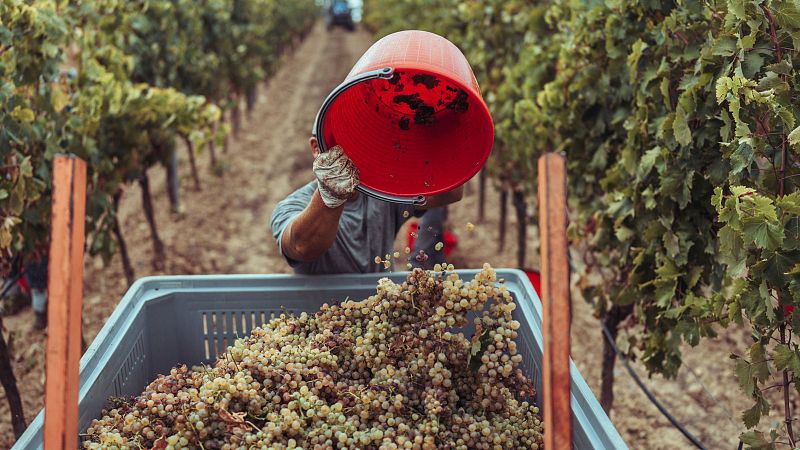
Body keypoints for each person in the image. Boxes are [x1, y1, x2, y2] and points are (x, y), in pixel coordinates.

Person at [270, 139, 463, 274]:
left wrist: (430, 136)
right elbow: (301, 246)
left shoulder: (383, 194)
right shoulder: (291, 206)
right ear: (316, 148)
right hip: (320, 320)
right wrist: (331, 193)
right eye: (341, 142)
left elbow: (451, 191)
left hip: (380, 317)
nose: (352, 154)